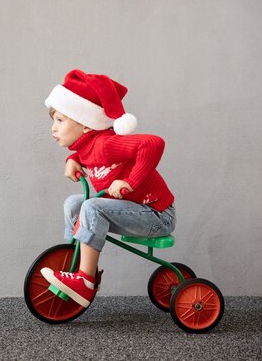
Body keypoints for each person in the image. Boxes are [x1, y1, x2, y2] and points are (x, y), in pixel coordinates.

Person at [40, 69, 176, 308]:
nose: (53, 127)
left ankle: (85, 280)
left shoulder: (105, 144)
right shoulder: (89, 146)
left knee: (92, 207)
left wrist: (130, 182)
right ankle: (77, 264)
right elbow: (88, 152)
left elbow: (153, 143)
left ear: (86, 125)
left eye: (60, 120)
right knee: (74, 204)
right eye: (54, 120)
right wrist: (73, 160)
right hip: (132, 210)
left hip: (157, 215)